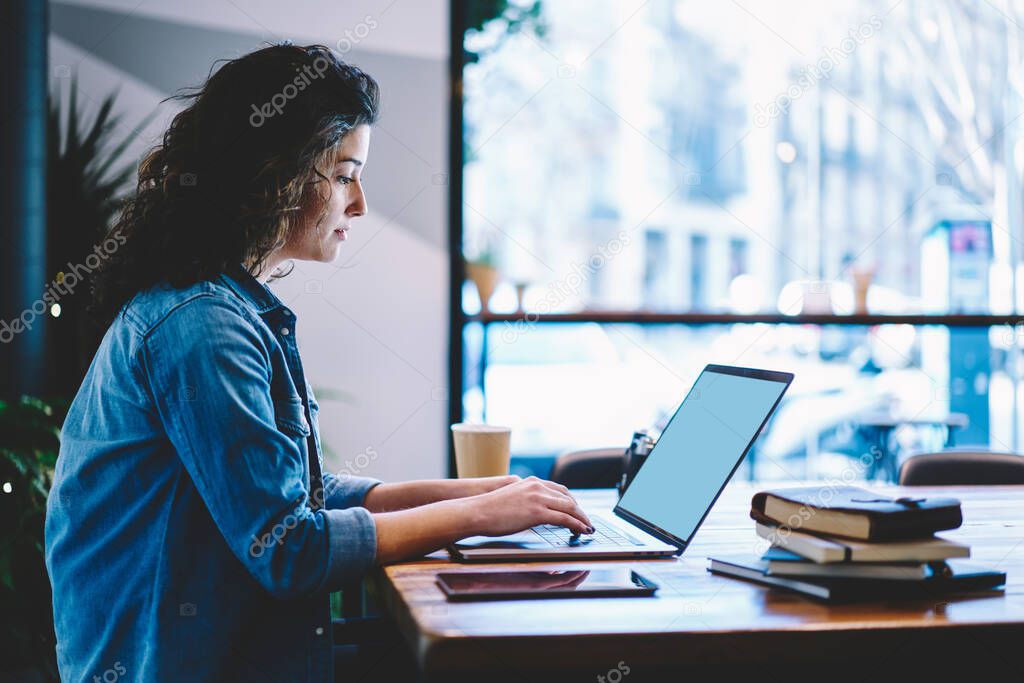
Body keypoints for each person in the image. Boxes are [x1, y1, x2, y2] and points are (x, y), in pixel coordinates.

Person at [44, 44, 593, 682]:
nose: (358, 204)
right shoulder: (203, 326)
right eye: (343, 174)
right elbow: (289, 549)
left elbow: (294, 495)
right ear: (272, 172)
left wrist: (476, 493)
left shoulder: (220, 305)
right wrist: (476, 518)